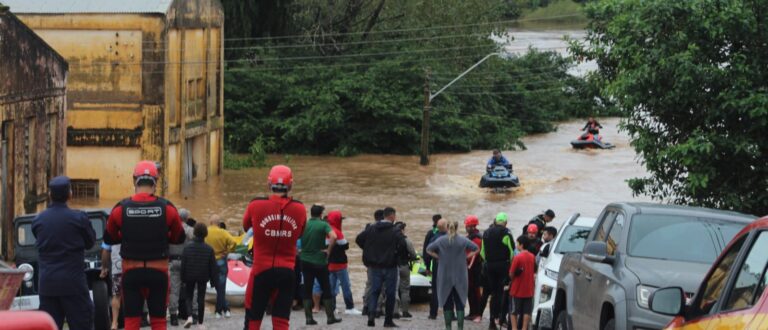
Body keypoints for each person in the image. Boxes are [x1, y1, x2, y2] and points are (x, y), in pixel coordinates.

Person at [104, 161, 186, 330]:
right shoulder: (168, 208)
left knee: (131, 322)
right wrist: (163, 235)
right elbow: (179, 237)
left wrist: (125, 234)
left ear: (135, 180)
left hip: (131, 272)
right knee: (158, 321)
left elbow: (110, 237)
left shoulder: (120, 209)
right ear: (156, 182)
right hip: (158, 272)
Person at [242, 165, 307, 330]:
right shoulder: (300, 209)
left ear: (269, 184)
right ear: (290, 185)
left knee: (253, 319)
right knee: (281, 321)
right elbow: (300, 233)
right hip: (287, 271)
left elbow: (246, 226)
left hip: (260, 270)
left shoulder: (255, 205)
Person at [32, 176, 96, 330]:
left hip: (48, 286)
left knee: (50, 326)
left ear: (50, 195)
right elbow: (90, 242)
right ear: (70, 194)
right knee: (82, 324)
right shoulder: (79, 218)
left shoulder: (39, 220)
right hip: (73, 284)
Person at [356, 207, 408, 328]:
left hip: (374, 265)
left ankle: (371, 316)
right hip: (390, 266)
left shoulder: (372, 228)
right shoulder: (395, 231)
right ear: (392, 216)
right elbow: (403, 245)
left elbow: (359, 239)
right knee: (390, 294)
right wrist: (397, 257)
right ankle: (388, 321)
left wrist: (369, 250)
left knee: (374, 292)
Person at [427, 220, 480, 330]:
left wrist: (438, 257)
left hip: (445, 275)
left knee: (447, 302)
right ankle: (460, 328)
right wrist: (467, 256)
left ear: (447, 227)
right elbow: (476, 248)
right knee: (460, 301)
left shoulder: (441, 240)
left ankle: (448, 327)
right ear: (457, 228)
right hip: (460, 275)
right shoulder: (463, 240)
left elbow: (428, 249)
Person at [300, 204, 341, 325]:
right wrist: (328, 251)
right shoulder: (324, 224)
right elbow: (334, 236)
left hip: (305, 260)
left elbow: (295, 237)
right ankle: (330, 317)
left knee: (307, 288)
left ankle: (308, 318)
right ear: (321, 214)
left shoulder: (305, 224)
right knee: (326, 288)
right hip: (319, 261)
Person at [180, 223, 218, 328]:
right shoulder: (209, 249)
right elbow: (213, 267)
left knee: (188, 296)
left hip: (189, 275)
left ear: (195, 233)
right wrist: (213, 281)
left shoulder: (187, 248)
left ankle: (189, 317)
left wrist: (182, 278)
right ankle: (201, 323)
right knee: (201, 299)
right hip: (202, 276)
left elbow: (183, 264)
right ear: (205, 234)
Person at [480, 212, 514, 330]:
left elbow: (482, 252)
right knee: (501, 293)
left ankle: (492, 321)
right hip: (503, 266)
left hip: (489, 266)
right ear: (505, 222)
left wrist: (489, 262)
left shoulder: (486, 232)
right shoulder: (506, 232)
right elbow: (512, 252)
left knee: (493, 294)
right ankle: (499, 318)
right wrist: (510, 265)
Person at [327, 210, 363, 315]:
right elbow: (345, 246)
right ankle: (350, 307)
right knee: (346, 286)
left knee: (331, 287)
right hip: (340, 264)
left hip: (330, 264)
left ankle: (332, 308)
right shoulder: (338, 232)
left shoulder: (327, 230)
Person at [205, 214, 239, 318]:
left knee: (207, 287)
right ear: (219, 224)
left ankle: (221, 310)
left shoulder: (206, 231)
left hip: (209, 261)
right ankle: (220, 310)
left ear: (210, 222)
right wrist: (228, 251)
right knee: (221, 287)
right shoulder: (223, 232)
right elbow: (233, 242)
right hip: (221, 260)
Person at [168, 208, 195, 326]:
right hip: (187, 262)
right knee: (191, 288)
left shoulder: (170, 230)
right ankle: (192, 314)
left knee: (174, 290)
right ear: (187, 218)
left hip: (173, 261)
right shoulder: (191, 231)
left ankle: (173, 316)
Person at [508, 236, 536, 330]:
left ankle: (514, 328)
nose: (516, 246)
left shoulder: (517, 257)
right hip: (529, 289)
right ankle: (524, 328)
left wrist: (512, 278)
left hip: (517, 289)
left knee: (513, 311)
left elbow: (511, 273)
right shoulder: (532, 257)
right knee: (526, 312)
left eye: (517, 244)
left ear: (522, 245)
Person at [362, 209, 385, 316]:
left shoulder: (369, 227)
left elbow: (359, 239)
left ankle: (366, 307)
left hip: (370, 261)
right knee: (380, 286)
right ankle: (377, 309)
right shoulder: (385, 228)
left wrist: (366, 249)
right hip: (382, 261)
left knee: (369, 284)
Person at [394, 221, 417, 319]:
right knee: (405, 290)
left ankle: (394, 311)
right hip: (404, 266)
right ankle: (405, 311)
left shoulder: (391, 239)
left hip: (393, 267)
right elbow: (413, 254)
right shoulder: (406, 240)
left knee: (394, 289)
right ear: (403, 230)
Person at [464, 215, 484, 323]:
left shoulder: (476, 238)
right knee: (471, 291)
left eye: (467, 225)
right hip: (471, 267)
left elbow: (474, 255)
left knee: (474, 291)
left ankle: (475, 313)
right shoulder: (472, 236)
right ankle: (473, 312)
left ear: (472, 226)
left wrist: (468, 267)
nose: (466, 227)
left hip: (474, 268)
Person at [427, 218, 448, 319]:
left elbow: (428, 250)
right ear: (447, 227)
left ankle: (432, 313)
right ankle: (449, 314)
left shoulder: (434, 238)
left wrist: (436, 257)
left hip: (437, 266)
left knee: (435, 289)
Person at [100, 242, 122, 330]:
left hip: (118, 266)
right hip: (134, 264)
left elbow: (105, 250)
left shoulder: (112, 229)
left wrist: (104, 267)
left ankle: (114, 323)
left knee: (116, 295)